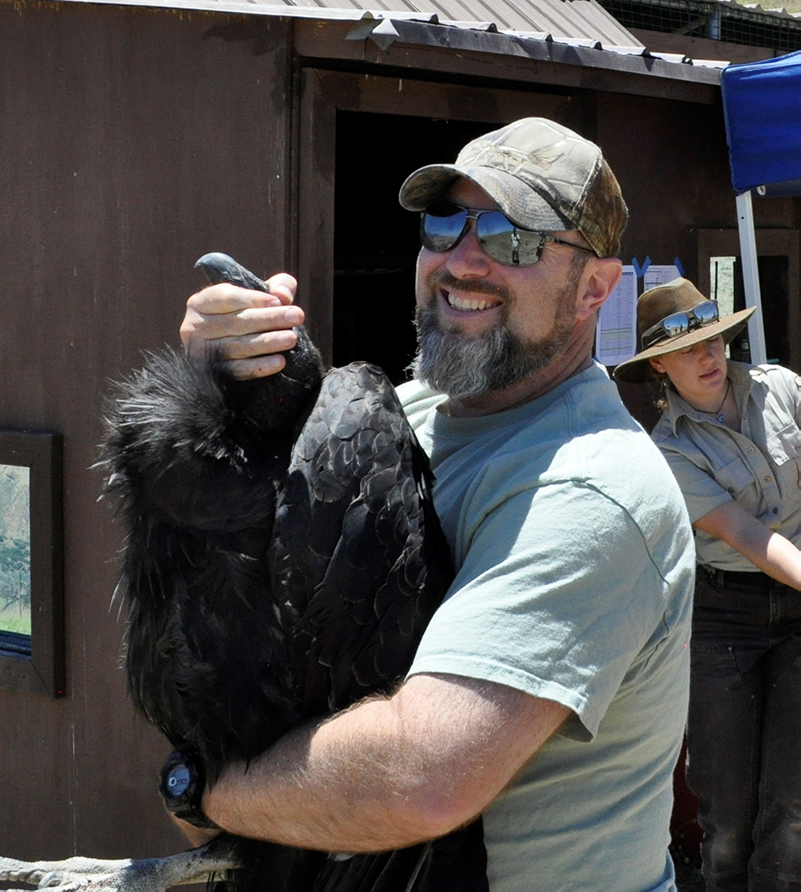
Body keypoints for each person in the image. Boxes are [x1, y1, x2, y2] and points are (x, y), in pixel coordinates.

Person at [174, 118, 695, 890]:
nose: (462, 261)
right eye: (443, 225)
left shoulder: (592, 488)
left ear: (594, 289)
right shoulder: (412, 414)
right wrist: (220, 383)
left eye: (512, 238)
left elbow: (421, 780)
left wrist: (204, 788)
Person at [614, 276, 801, 891]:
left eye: (715, 339)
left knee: (793, 805)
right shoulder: (665, 452)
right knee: (724, 816)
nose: (708, 355)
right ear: (659, 366)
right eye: (687, 346)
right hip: (726, 617)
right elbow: (748, 536)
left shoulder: (782, 388)